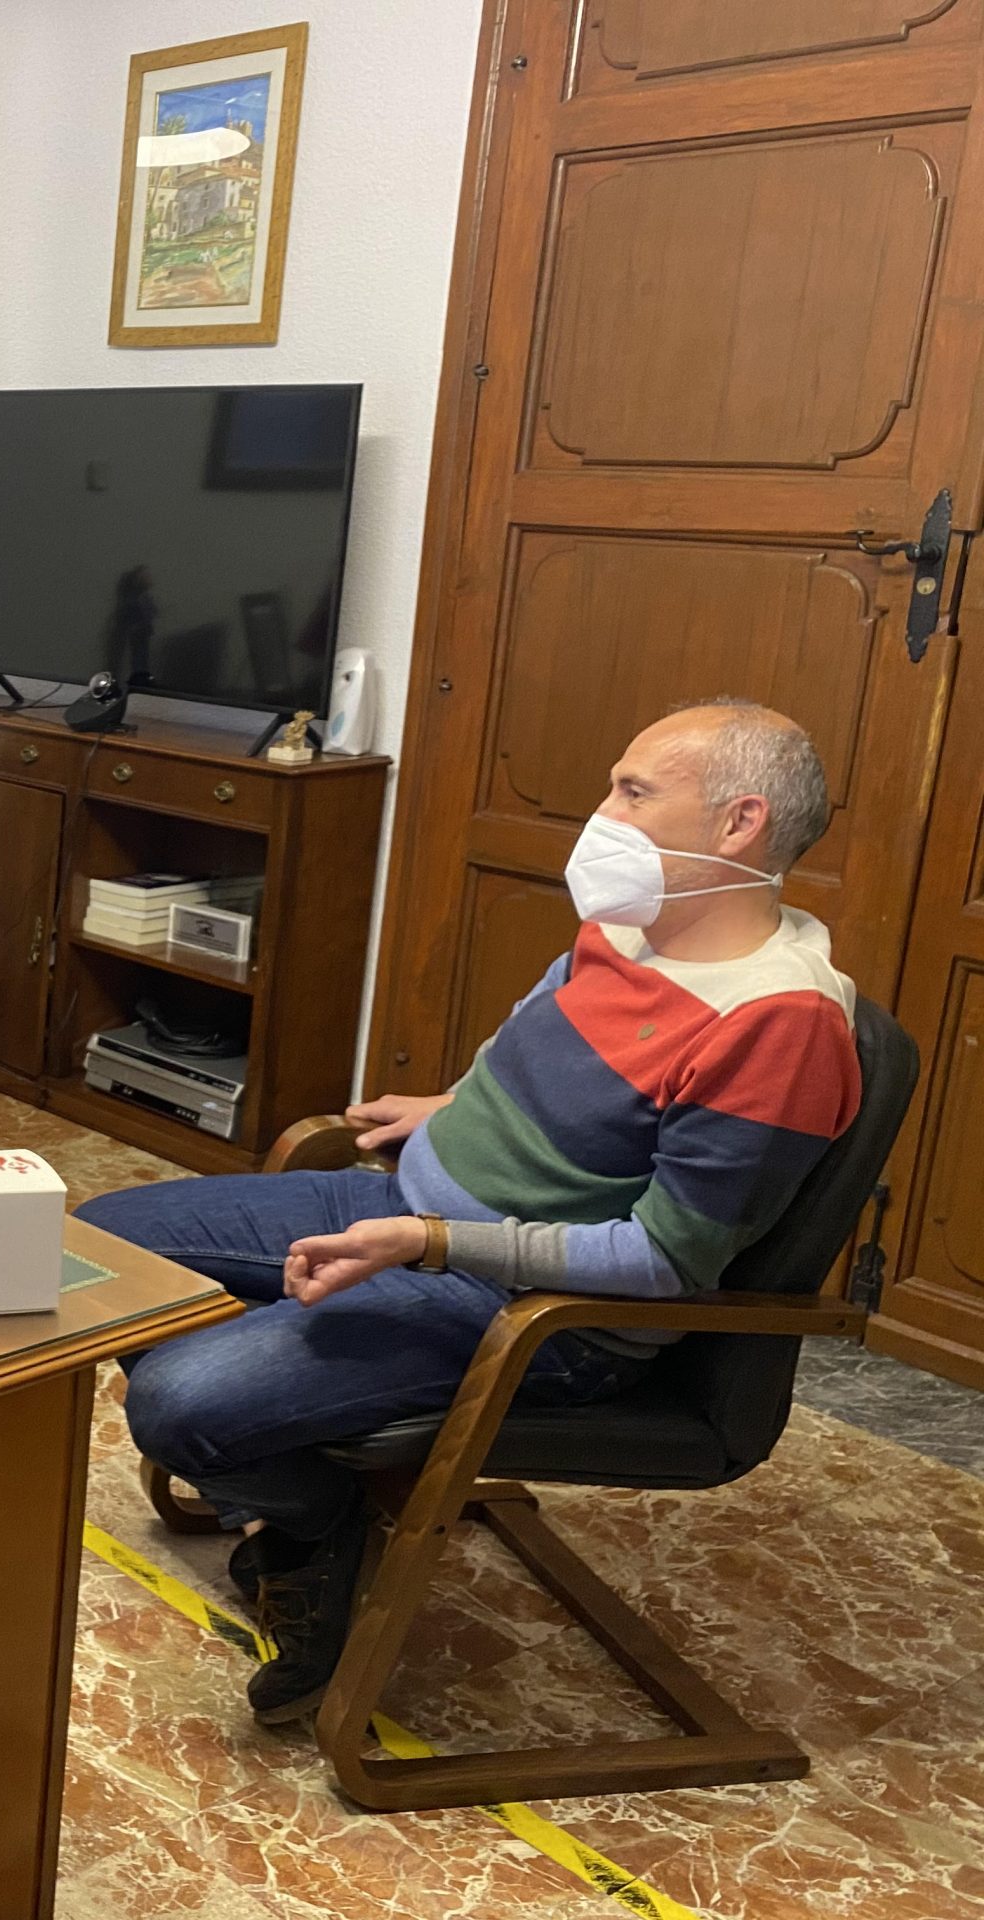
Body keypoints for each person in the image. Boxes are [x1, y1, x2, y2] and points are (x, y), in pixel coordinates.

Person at [81, 701, 860, 1724]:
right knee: (100, 1254)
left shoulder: (778, 1025)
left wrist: (432, 1243)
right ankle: (297, 1474)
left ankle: (314, 1529)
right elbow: (531, 1043)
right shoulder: (630, 928)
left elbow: (666, 1261)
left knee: (178, 1403)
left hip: (524, 1312)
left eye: (633, 792)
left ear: (739, 823)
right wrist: (451, 1107)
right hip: (404, 1208)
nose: (603, 814)